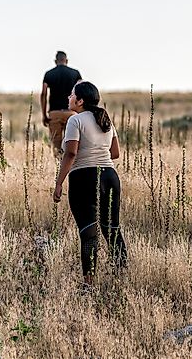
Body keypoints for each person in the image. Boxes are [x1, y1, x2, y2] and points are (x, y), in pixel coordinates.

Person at [53, 81, 127, 287]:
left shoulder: (75, 121)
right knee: (111, 229)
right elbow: (115, 153)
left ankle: (89, 284)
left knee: (88, 231)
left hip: (84, 178)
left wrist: (59, 183)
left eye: (71, 95)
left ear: (80, 100)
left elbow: (71, 153)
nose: (69, 97)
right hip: (110, 177)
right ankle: (122, 275)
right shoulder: (105, 120)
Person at [41, 51, 82, 157]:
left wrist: (44, 114)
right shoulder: (75, 73)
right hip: (72, 112)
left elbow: (44, 94)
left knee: (56, 145)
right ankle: (72, 168)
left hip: (55, 113)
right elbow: (82, 91)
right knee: (72, 143)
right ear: (66, 60)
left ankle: (59, 169)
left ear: (55, 61)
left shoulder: (49, 74)